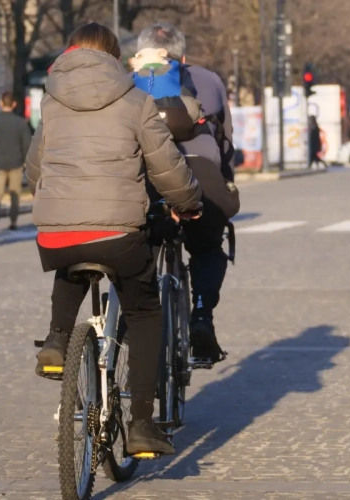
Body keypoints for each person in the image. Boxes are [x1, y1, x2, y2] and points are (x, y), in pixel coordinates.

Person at [27, 22, 202, 455]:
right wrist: (190, 201)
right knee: (144, 313)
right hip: (118, 233)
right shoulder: (135, 99)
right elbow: (166, 167)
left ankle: (55, 341)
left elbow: (34, 168)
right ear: (114, 58)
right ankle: (142, 422)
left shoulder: (51, 102)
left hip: (55, 231)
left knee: (70, 260)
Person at [135, 24, 239, 363]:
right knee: (208, 247)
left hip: (146, 175)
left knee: (140, 247)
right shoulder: (208, 80)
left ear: (141, 54)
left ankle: (133, 322)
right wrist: (225, 182)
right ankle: (201, 315)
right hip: (200, 169)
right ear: (181, 56)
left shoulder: (127, 83)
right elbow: (226, 141)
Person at [0, 91, 32, 235]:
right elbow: (27, 145)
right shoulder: (21, 123)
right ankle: (13, 221)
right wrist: (26, 162)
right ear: (14, 104)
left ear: (1, 103)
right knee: (15, 194)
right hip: (16, 162)